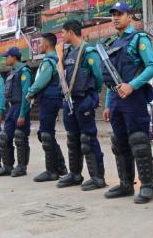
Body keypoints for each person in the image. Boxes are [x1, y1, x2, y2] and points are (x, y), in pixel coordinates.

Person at [100, 1, 153, 203]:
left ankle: (147, 186)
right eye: (113, 15)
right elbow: (111, 78)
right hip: (117, 100)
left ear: (129, 17)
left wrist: (132, 85)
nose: (115, 18)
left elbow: (152, 67)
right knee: (120, 143)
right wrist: (108, 103)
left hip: (134, 98)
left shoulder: (139, 38)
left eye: (120, 14)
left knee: (139, 142)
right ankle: (126, 184)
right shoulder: (110, 44)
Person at [55, 21, 106, 191]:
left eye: (63, 32)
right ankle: (75, 174)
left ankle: (97, 177)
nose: (62, 36)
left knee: (88, 138)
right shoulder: (68, 53)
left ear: (71, 32)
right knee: (72, 138)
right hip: (70, 101)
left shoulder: (88, 52)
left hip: (84, 99)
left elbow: (98, 76)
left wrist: (93, 94)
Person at [26, 33, 68, 182]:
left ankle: (52, 171)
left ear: (47, 44)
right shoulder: (53, 60)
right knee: (45, 134)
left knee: (46, 134)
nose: (39, 46)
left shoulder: (49, 61)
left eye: (41, 43)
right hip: (50, 99)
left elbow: (42, 81)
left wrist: (30, 93)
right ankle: (60, 166)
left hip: (49, 100)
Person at [0, 47, 33, 177]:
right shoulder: (11, 72)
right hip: (11, 108)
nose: (6, 59)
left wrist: (22, 114)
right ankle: (8, 166)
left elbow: (26, 94)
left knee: (20, 137)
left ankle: (21, 167)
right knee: (4, 137)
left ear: (14, 57)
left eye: (7, 56)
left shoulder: (24, 71)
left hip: (20, 106)